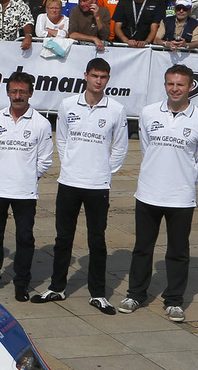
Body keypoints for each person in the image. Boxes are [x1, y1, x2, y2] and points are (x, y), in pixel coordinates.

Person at [118, 64, 198, 321]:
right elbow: (147, 149)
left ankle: (173, 301)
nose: (175, 89)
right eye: (171, 84)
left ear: (190, 87)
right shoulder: (148, 113)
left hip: (181, 198)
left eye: (180, 84)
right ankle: (135, 295)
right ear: (165, 85)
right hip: (148, 193)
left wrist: (183, 180)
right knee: (142, 248)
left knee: (178, 252)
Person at [31, 58, 129, 313]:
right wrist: (71, 165)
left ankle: (98, 293)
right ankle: (57, 287)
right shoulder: (67, 105)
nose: (98, 81)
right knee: (63, 238)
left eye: (103, 77)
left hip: (98, 185)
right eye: (94, 75)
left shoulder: (116, 109)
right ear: (85, 75)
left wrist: (104, 172)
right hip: (69, 182)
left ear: (108, 79)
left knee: (97, 240)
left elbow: (120, 147)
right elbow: (61, 140)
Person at [0, 72, 53, 301]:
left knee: (24, 238)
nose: (17, 96)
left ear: (31, 93)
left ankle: (22, 283)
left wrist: (27, 177)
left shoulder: (41, 123)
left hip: (25, 192)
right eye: (13, 91)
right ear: (7, 92)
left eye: (22, 92)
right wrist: (4, 172)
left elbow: (45, 160)